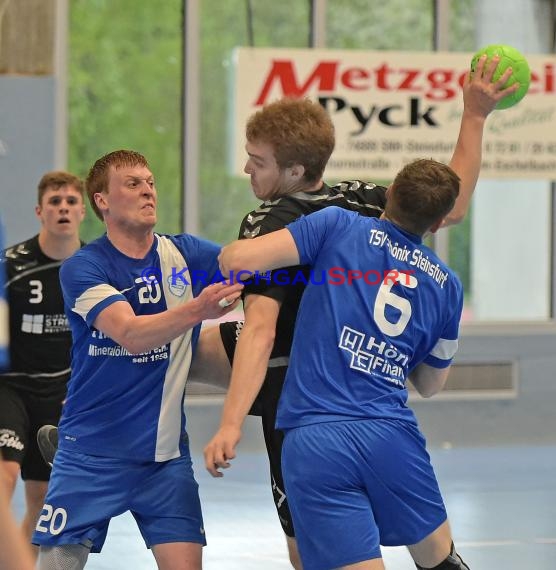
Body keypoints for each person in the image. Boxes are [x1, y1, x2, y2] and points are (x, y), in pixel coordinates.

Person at [202, 54, 518, 568]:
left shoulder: (288, 221)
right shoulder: (363, 202)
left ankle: (103, 440)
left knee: (307, 548)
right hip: (379, 407)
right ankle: (109, 434)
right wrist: (475, 115)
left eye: (256, 161)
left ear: (295, 170)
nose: (247, 169)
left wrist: (230, 423)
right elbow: (450, 205)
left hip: (296, 387)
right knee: (176, 344)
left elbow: (257, 331)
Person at [217, 158, 469, 569]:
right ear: (438, 224)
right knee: (441, 560)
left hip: (316, 439)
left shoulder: (338, 225)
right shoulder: (447, 285)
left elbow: (238, 259)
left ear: (389, 194)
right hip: (391, 437)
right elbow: (429, 384)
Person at [31, 150, 243, 570]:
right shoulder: (84, 267)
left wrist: (334, 263)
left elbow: (258, 267)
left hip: (164, 461)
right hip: (90, 455)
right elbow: (129, 334)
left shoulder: (185, 255)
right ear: (102, 201)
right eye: (132, 183)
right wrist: (198, 310)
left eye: (150, 182)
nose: (148, 190)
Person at [0, 171, 85, 550]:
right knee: (5, 476)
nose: (63, 208)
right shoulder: (10, 266)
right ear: (40, 211)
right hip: (11, 387)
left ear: (83, 211)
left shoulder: (94, 267)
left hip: (60, 392)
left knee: (41, 500)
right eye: (55, 202)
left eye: (70, 201)